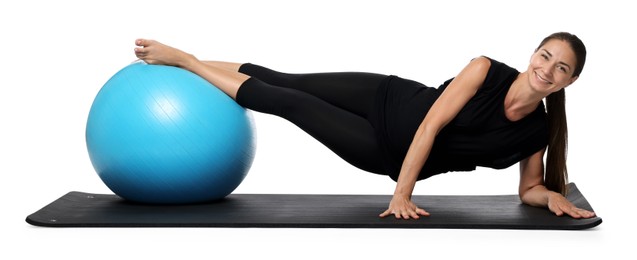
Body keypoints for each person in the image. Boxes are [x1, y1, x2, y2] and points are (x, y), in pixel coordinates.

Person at [133, 32, 596, 220]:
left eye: (561, 68)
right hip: (388, 96)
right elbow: (431, 126)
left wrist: (550, 194)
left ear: (569, 82)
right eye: (546, 56)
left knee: (286, 101)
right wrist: (402, 195)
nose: (548, 69)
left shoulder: (536, 132)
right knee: (285, 78)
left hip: (383, 151)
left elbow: (528, 189)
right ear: (532, 55)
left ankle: (185, 62)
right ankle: (185, 62)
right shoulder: (484, 70)